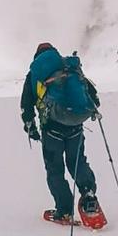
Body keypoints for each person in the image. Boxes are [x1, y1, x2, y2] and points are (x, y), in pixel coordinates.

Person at [20, 43, 101, 224]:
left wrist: (30, 127)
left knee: (55, 170)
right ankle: (88, 194)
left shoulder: (36, 74)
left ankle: (64, 210)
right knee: (78, 162)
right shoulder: (70, 68)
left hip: (52, 129)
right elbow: (93, 96)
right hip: (76, 126)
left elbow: (26, 105)